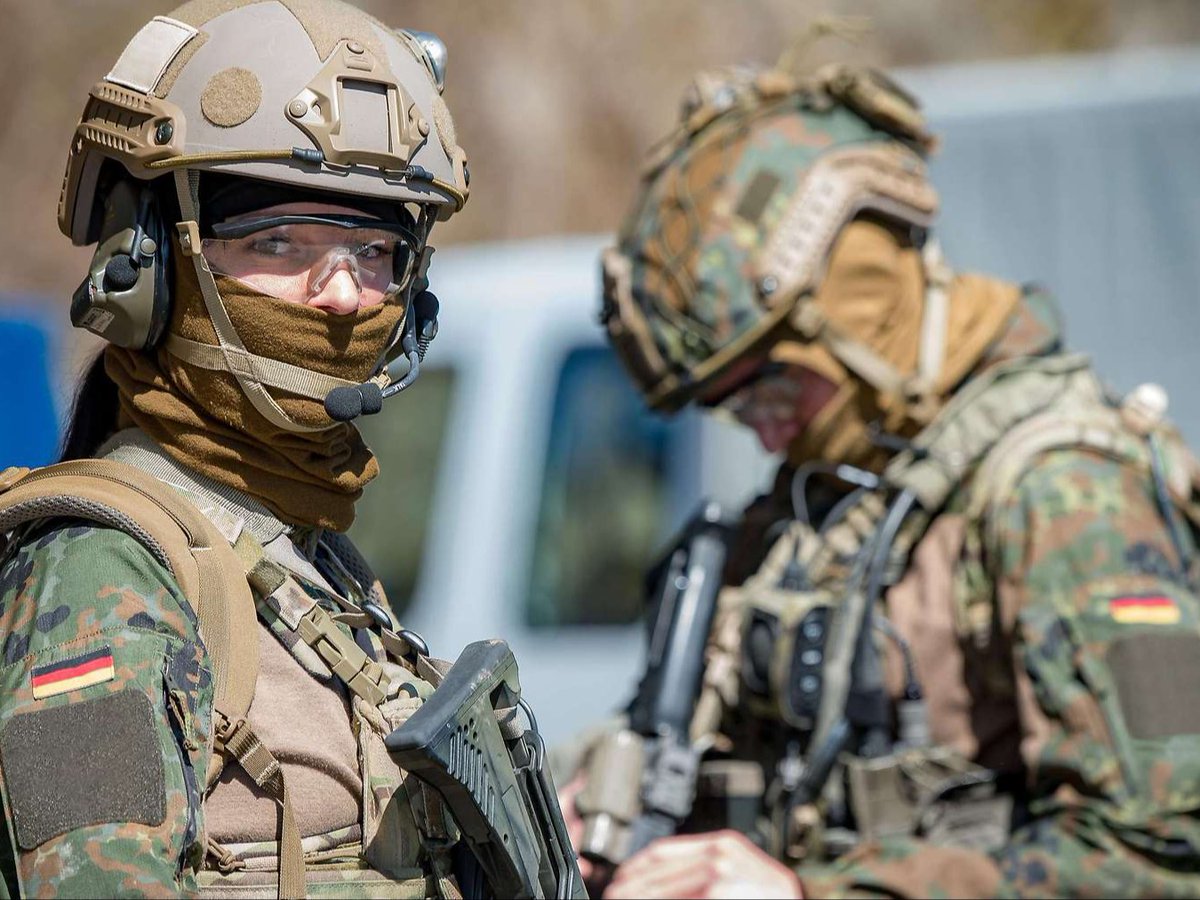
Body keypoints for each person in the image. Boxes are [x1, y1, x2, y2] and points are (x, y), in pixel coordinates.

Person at [568, 59, 1200, 898]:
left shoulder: (1069, 493)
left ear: (854, 313)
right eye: (728, 404)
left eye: (773, 385)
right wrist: (593, 801)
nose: (761, 427)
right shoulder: (824, 503)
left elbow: (1158, 857)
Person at [0, 3, 575, 897]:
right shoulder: (99, 573)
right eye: (278, 241)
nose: (343, 294)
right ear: (150, 267)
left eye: (375, 249)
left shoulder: (311, 554)